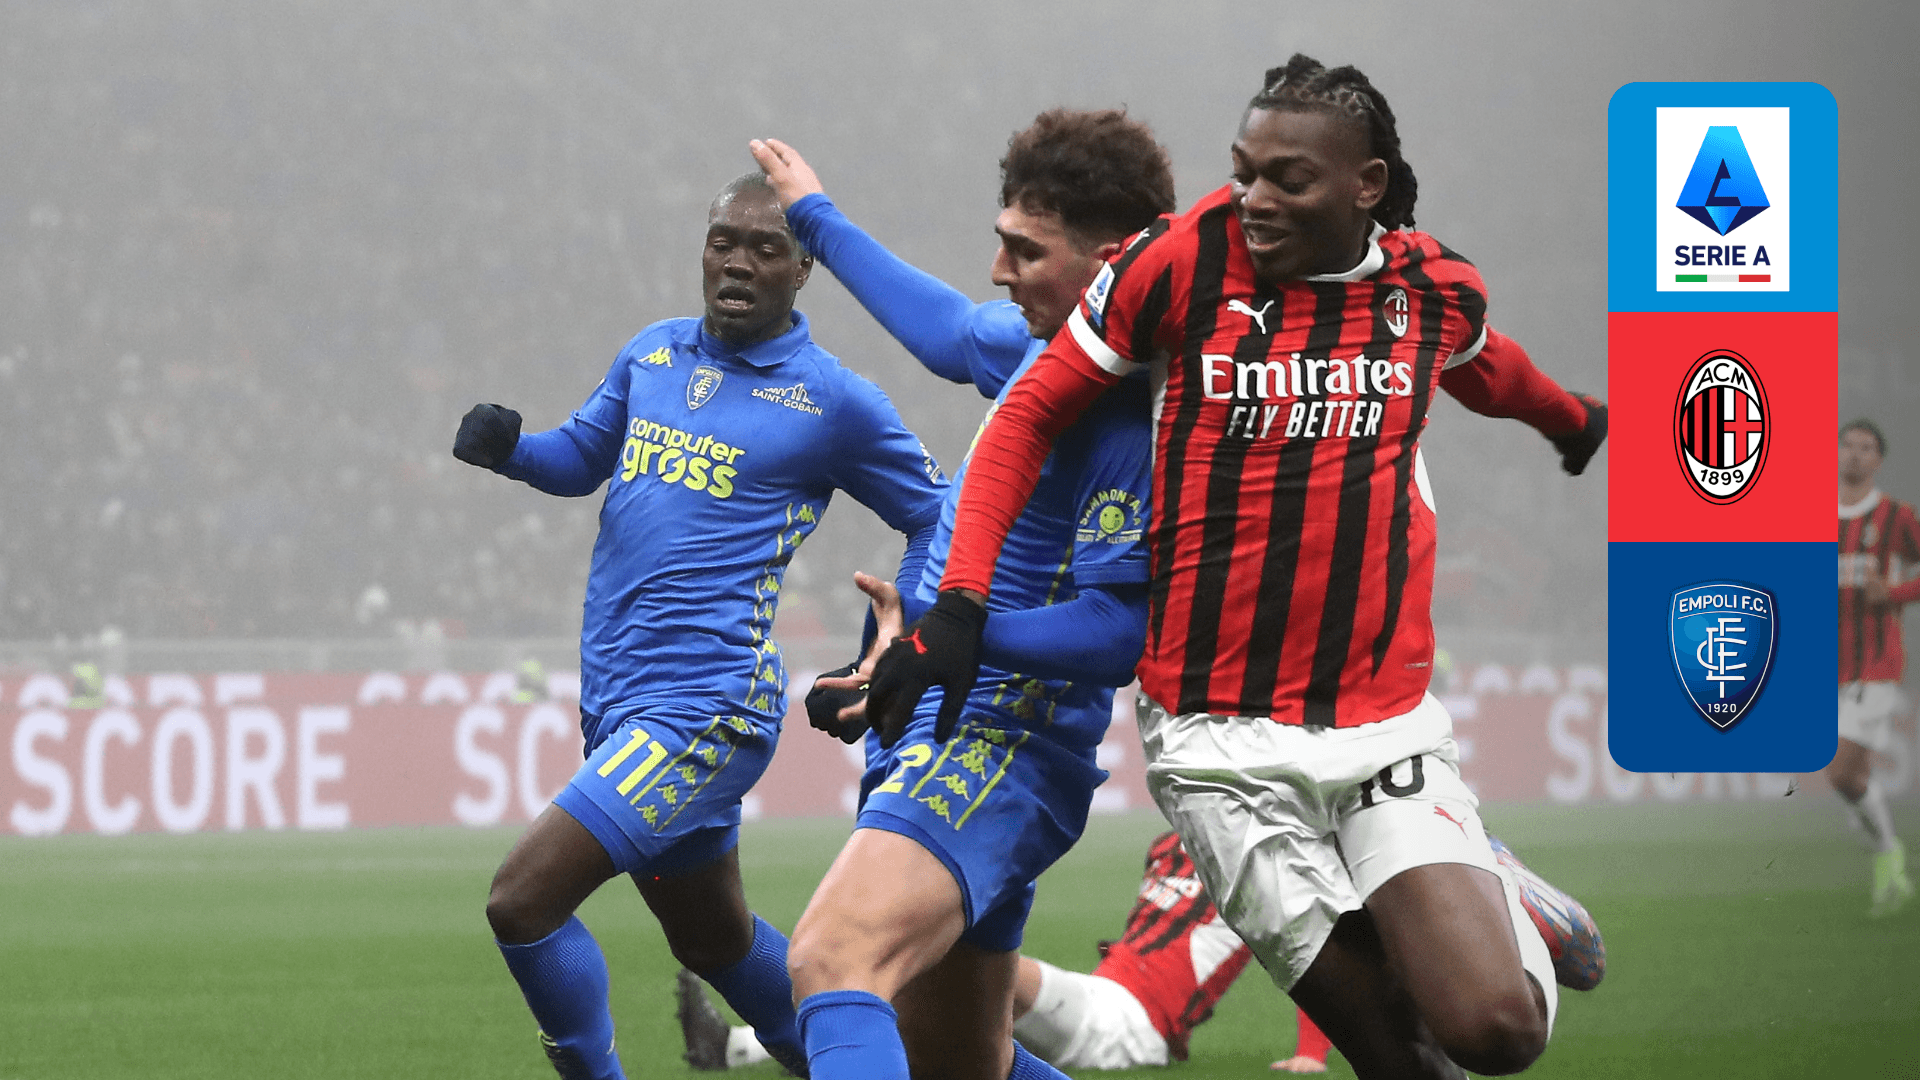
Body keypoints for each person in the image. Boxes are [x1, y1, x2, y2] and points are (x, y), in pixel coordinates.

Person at [869, 55, 1608, 1079]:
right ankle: (1450, 902)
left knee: (1498, 1034)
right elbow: (1028, 412)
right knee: (1401, 1059)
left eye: (1288, 180)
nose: (1255, 199)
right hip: (1217, 742)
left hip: (1382, 722)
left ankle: (1495, 888)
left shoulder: (1429, 289)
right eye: (1244, 170)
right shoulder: (1176, 265)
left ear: (1368, 185)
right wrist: (960, 605)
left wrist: (1570, 420)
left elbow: (1486, 364)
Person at [454, 172, 946, 1080]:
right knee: (714, 941)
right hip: (620, 697)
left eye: (766, 248)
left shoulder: (830, 399)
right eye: (725, 241)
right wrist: (514, 451)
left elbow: (937, 513)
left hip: (706, 708)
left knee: (522, 903)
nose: (739, 262)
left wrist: (895, 635)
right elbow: (582, 457)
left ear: (803, 267)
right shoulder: (652, 353)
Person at [746, 111, 1173, 1080]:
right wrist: (815, 218)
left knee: (831, 961)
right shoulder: (1041, 345)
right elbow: (944, 329)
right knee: (955, 1059)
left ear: (1111, 263)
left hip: (1002, 744)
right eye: (1001, 239)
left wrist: (953, 642)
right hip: (940, 720)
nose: (998, 270)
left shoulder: (1128, 419)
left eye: (1027, 251)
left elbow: (1119, 630)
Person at [1833, 417, 1916, 917]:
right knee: (1854, 777)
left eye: (1866, 448)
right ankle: (1888, 860)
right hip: (1827, 666)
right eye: (1848, 446)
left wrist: (1896, 592)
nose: (1855, 455)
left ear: (1878, 459)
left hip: (1876, 663)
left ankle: (1888, 853)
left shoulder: (1895, 516)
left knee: (1841, 771)